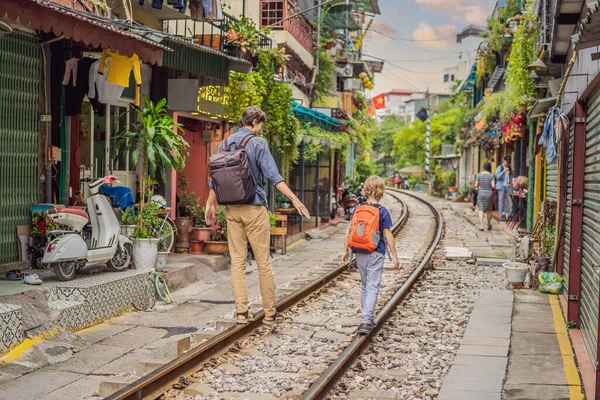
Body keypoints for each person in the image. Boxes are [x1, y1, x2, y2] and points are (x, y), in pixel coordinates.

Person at [205, 106, 310, 325]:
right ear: (254, 123)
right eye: (260, 125)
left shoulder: (225, 143)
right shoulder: (258, 143)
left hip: (231, 208)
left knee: (237, 262)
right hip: (254, 208)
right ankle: (270, 313)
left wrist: (209, 202)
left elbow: (217, 176)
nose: (261, 129)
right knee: (263, 262)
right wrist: (294, 198)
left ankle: (242, 312)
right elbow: (274, 176)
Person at [341, 176, 399, 335]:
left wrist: (345, 250)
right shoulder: (383, 211)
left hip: (359, 251)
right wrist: (394, 256)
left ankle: (366, 316)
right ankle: (366, 320)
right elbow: (388, 235)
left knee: (366, 284)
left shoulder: (357, 209)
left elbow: (349, 230)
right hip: (375, 252)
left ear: (365, 190)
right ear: (382, 191)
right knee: (373, 285)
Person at [476, 162, 496, 231]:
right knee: (489, 210)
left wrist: (479, 186)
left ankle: (481, 226)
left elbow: (476, 185)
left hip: (481, 193)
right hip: (489, 194)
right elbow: (493, 186)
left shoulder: (479, 175)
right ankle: (488, 225)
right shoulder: (492, 175)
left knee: (481, 209)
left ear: (483, 167)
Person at [495, 156, 512, 220]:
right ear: (503, 160)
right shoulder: (500, 167)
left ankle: (510, 214)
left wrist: (510, 173)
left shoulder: (509, 168)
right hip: (501, 186)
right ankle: (502, 214)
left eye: (508, 162)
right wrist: (503, 172)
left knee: (510, 200)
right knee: (501, 200)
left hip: (508, 185)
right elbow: (497, 177)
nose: (507, 163)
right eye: (506, 161)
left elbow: (510, 177)